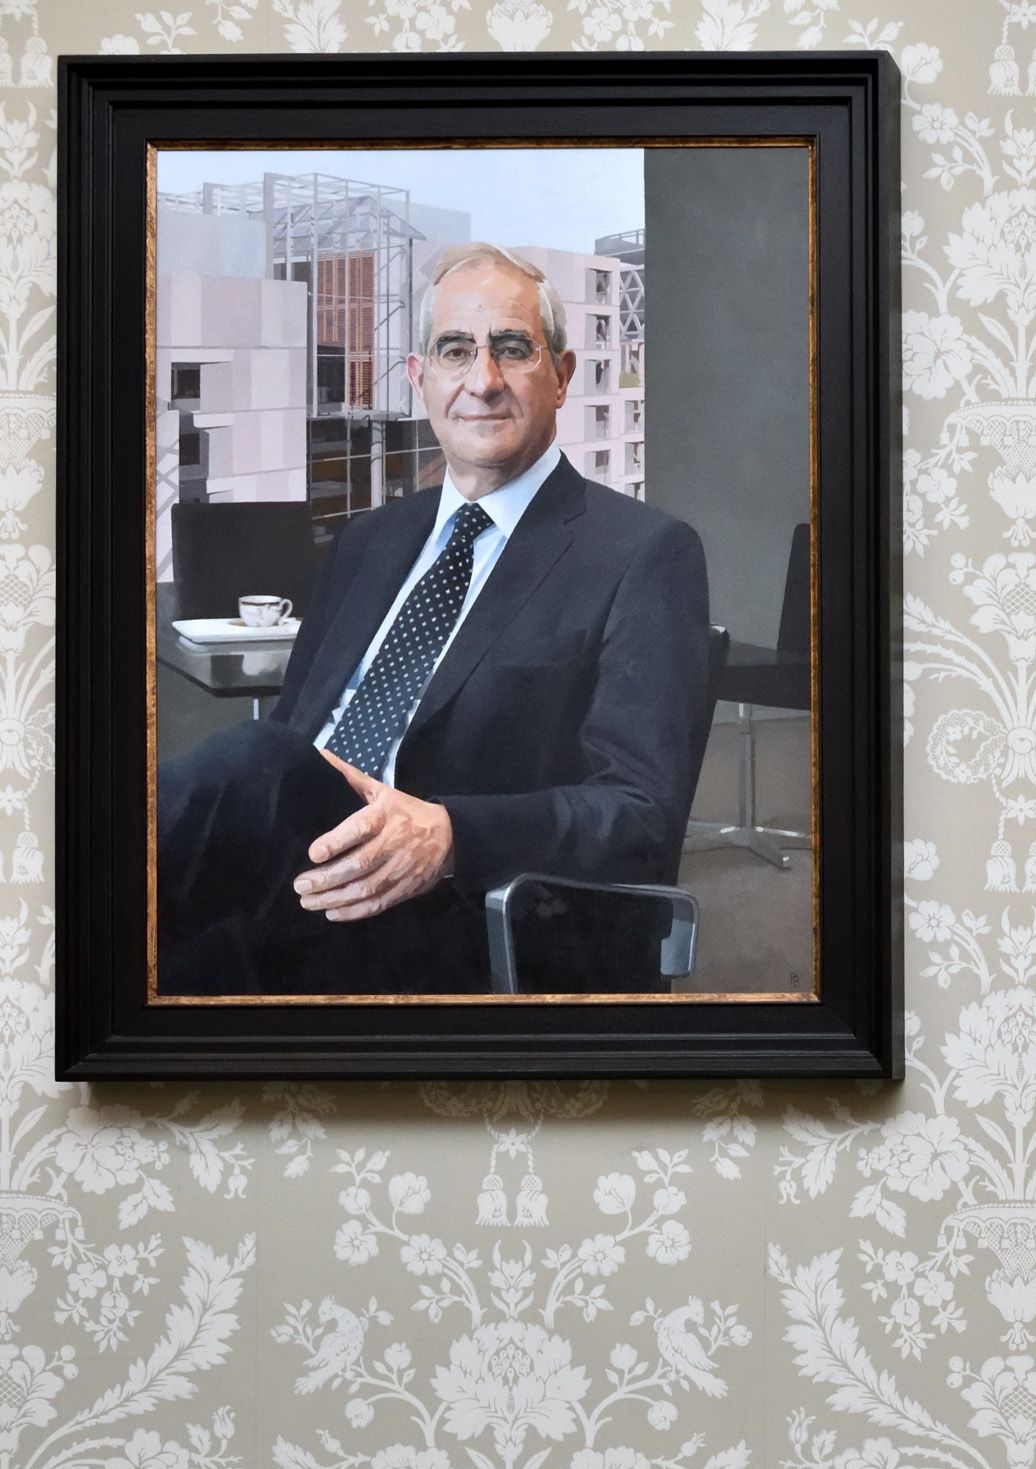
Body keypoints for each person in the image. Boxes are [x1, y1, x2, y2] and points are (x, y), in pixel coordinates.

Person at [156, 242, 717, 996]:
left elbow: (640, 815)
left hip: (464, 920)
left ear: (561, 375)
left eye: (512, 349)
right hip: (294, 891)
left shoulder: (645, 554)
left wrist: (451, 834)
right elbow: (298, 736)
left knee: (255, 763)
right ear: (420, 379)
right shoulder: (367, 542)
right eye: (456, 349)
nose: (482, 381)